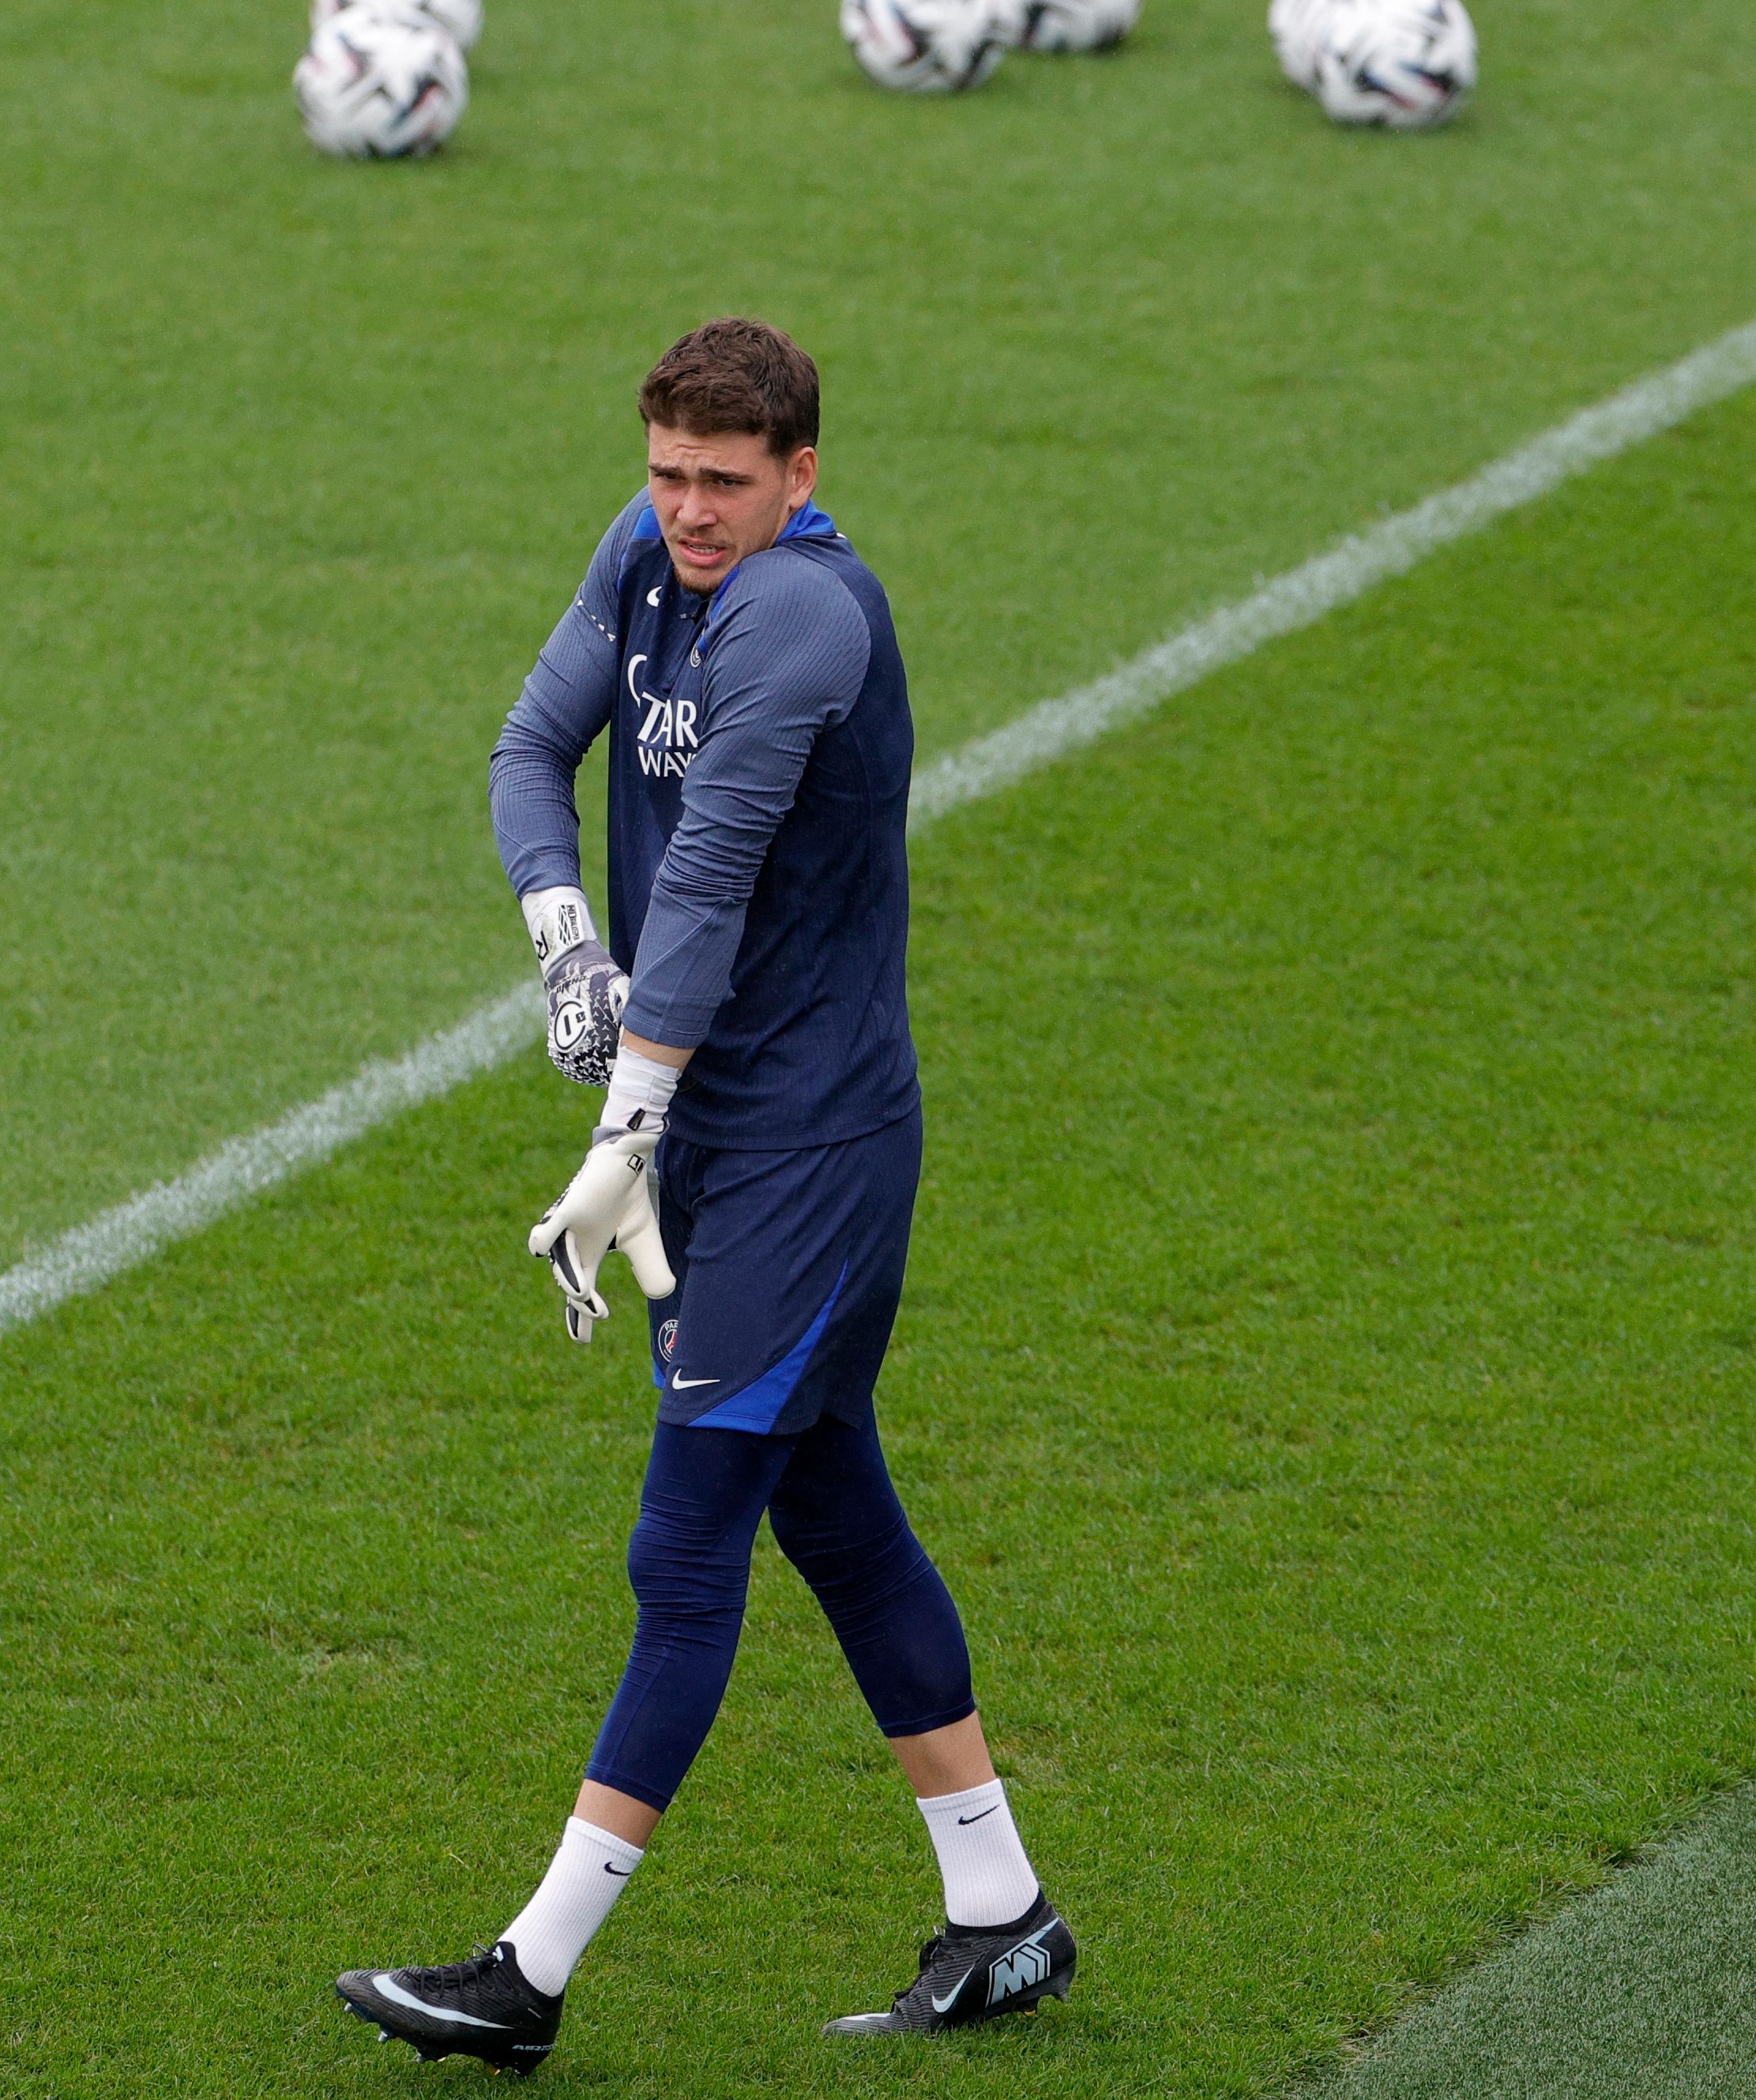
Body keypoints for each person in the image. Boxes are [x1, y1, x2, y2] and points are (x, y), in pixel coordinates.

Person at [333, 318, 1073, 2072]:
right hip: (725, 1131)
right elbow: (531, 749)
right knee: (832, 1514)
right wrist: (562, 941)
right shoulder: (642, 550)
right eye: (665, 474)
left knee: (683, 1551)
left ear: (798, 476)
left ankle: (523, 1979)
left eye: (721, 483)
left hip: (801, 1154)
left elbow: (722, 874)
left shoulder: (804, 617)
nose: (684, 510)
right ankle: (1003, 1919)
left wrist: (621, 1133)